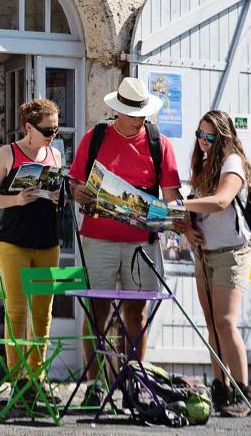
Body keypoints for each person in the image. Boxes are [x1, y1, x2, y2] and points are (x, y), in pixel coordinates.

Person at [69, 77, 183, 406]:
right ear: (117, 111)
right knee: (97, 310)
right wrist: (83, 194)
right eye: (134, 113)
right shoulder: (96, 138)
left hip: (141, 243)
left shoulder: (159, 143)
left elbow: (171, 196)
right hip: (98, 238)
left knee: (137, 312)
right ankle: (95, 384)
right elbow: (76, 185)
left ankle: (133, 382)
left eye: (143, 113)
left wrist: (177, 218)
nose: (140, 119)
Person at [173, 110, 251, 418]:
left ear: (224, 137)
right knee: (211, 323)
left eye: (209, 136)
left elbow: (221, 201)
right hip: (205, 252)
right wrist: (187, 225)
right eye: (199, 134)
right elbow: (199, 210)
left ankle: (243, 391)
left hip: (232, 252)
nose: (203, 141)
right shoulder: (203, 164)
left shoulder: (232, 163)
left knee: (225, 322)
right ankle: (220, 387)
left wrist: (182, 204)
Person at [0, 99, 62, 403]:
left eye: (56, 129)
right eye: (47, 130)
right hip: (14, 241)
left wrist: (56, 196)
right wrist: (15, 200)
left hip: (47, 241)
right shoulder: (8, 153)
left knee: (42, 314)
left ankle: (36, 378)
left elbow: (57, 198)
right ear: (29, 128)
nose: (52, 135)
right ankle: (18, 381)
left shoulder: (54, 154)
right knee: (16, 311)